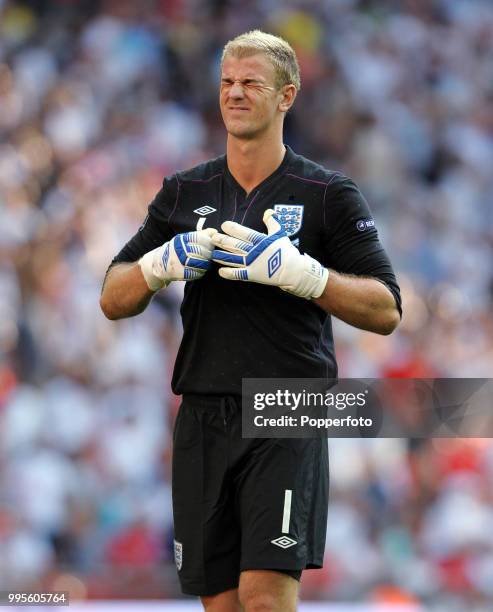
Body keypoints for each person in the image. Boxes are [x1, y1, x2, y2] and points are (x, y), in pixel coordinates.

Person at [100, 29, 401, 612]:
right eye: (227, 83)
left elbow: (386, 307)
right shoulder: (184, 191)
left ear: (287, 96)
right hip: (204, 410)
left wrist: (307, 276)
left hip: (288, 405)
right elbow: (113, 296)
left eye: (251, 84)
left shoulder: (328, 193)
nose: (234, 94)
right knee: (221, 603)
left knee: (265, 597)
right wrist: (160, 265)